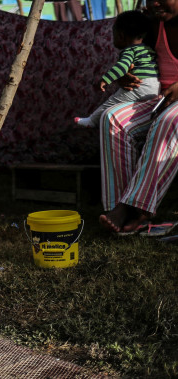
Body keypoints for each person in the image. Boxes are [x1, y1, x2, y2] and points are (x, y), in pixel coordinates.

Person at [98, 0, 178, 234]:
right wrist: (127, 76)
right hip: (159, 98)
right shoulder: (154, 25)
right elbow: (140, 58)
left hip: (172, 107)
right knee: (111, 117)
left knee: (167, 122)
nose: (154, 3)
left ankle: (135, 208)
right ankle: (117, 205)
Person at [75, 11, 159, 128]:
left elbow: (122, 67)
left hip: (140, 86)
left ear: (121, 36)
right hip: (157, 87)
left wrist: (105, 79)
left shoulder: (129, 50)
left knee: (112, 102)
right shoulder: (149, 49)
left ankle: (92, 120)